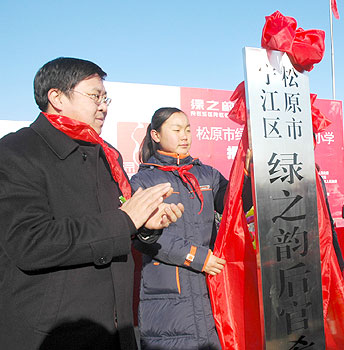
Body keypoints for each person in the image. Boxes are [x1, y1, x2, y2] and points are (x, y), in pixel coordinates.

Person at [0, 57, 183, 350]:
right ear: (56, 97)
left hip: (115, 327)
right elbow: (30, 242)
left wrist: (144, 226)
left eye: (105, 97)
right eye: (95, 96)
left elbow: (117, 225)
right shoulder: (16, 152)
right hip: (52, 334)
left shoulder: (105, 153)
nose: (104, 106)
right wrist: (124, 221)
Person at [130, 107, 252, 350]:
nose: (184, 136)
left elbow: (234, 205)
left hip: (209, 283)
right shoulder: (142, 181)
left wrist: (247, 174)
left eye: (187, 129)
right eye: (176, 130)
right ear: (155, 135)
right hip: (167, 289)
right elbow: (142, 237)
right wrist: (196, 257)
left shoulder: (207, 175)